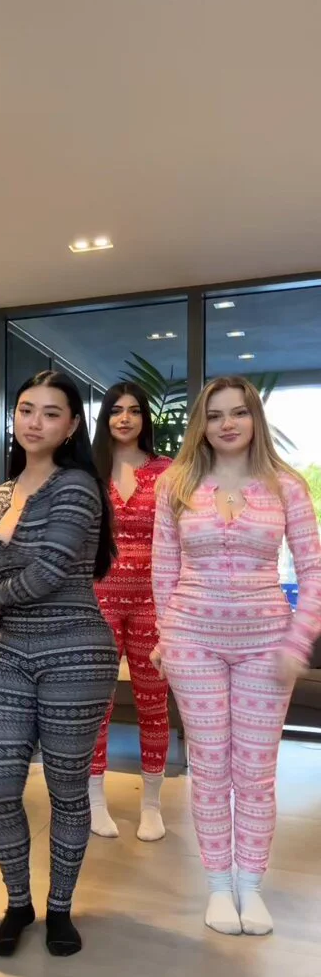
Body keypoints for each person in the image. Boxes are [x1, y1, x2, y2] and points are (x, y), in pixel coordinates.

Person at [152, 376, 321, 936]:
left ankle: (251, 885)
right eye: (216, 414)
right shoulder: (176, 484)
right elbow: (164, 569)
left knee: (254, 773)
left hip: (266, 647)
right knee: (208, 768)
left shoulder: (286, 486)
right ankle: (219, 888)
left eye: (239, 413)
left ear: (255, 420)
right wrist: (166, 637)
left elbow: (314, 572)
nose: (228, 423)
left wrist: (297, 642)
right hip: (192, 641)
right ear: (202, 424)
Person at [0, 371, 118, 958]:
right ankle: (17, 903)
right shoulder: (2, 493)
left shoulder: (77, 485)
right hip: (11, 651)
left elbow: (51, 569)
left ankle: (59, 909)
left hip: (75, 651)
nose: (35, 421)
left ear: (72, 426)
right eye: (26, 409)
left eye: (51, 413)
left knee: (66, 787)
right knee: (0, 786)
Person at [91, 381, 172, 841]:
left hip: (153, 603)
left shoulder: (168, 471)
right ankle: (94, 800)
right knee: (97, 703)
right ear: (105, 418)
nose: (125, 418)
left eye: (134, 410)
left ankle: (152, 804)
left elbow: (179, 539)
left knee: (153, 702)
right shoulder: (89, 470)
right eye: (116, 410)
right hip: (98, 598)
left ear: (145, 418)